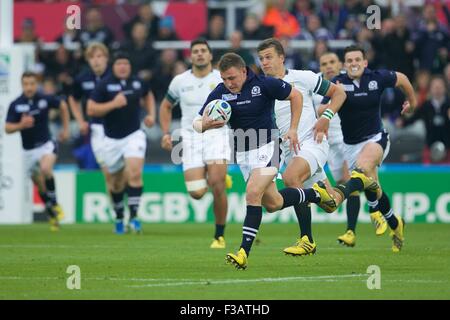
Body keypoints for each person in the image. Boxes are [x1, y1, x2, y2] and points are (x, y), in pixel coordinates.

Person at [193, 53, 337, 269]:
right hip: (243, 154)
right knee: (273, 203)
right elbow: (197, 121)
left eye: (232, 78)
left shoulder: (264, 84)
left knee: (252, 193)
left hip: (269, 147)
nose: (228, 83)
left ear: (243, 71)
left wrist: (293, 128)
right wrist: (204, 125)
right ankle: (315, 194)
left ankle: (243, 252)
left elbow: (295, 96)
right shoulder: (221, 92)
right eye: (224, 79)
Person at [318, 45, 417, 252]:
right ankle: (395, 224)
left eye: (357, 60)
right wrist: (329, 110)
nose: (354, 63)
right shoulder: (339, 84)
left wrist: (412, 103)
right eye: (350, 60)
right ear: (345, 65)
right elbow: (321, 108)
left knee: (362, 169)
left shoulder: (377, 78)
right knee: (374, 187)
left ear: (364, 62)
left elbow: (403, 79)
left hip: (376, 138)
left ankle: (366, 209)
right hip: (350, 145)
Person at [256, 39, 346, 256]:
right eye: (261, 59)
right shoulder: (261, 88)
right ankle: (357, 184)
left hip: (312, 142)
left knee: (290, 178)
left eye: (269, 57)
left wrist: (325, 116)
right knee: (331, 203)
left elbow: (339, 93)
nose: (264, 62)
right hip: (288, 151)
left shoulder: (302, 77)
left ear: (281, 57)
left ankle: (307, 240)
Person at [159, 39, 232, 249]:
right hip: (190, 138)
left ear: (210, 56)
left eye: (203, 51)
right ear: (190, 57)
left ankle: (219, 235)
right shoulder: (180, 81)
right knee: (197, 193)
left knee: (217, 185)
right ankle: (217, 176)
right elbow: (165, 106)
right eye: (195, 51)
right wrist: (165, 133)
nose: (199, 54)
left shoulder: (221, 78)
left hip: (216, 136)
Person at [316, 52, 387, 247]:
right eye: (324, 63)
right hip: (329, 145)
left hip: (348, 141)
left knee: (359, 178)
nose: (328, 66)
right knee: (348, 184)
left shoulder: (343, 84)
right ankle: (389, 219)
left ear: (340, 64)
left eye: (332, 62)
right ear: (320, 67)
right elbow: (315, 111)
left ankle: (352, 229)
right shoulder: (316, 86)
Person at [87, 52, 156, 234]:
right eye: (119, 64)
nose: (123, 67)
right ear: (114, 66)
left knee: (134, 173)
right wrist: (113, 104)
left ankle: (134, 218)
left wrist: (151, 114)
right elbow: (91, 109)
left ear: (130, 66)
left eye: (126, 63)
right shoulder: (104, 85)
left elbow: (148, 95)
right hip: (111, 140)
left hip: (134, 135)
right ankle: (119, 217)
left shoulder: (137, 82)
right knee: (116, 183)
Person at [5, 72, 70, 231]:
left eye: (32, 83)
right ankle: (53, 217)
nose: (29, 87)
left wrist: (66, 129)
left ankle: (54, 205)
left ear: (37, 84)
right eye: (26, 84)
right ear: (22, 85)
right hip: (28, 151)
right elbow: (7, 128)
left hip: (46, 144)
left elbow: (63, 105)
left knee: (46, 168)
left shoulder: (44, 98)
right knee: (40, 186)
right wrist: (21, 125)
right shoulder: (16, 104)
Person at [69, 42, 111, 173]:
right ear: (88, 60)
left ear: (106, 58)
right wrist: (80, 121)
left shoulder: (114, 75)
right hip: (96, 127)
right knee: (105, 168)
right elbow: (73, 99)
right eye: (92, 57)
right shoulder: (83, 78)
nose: (96, 61)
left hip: (116, 127)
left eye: (99, 56)